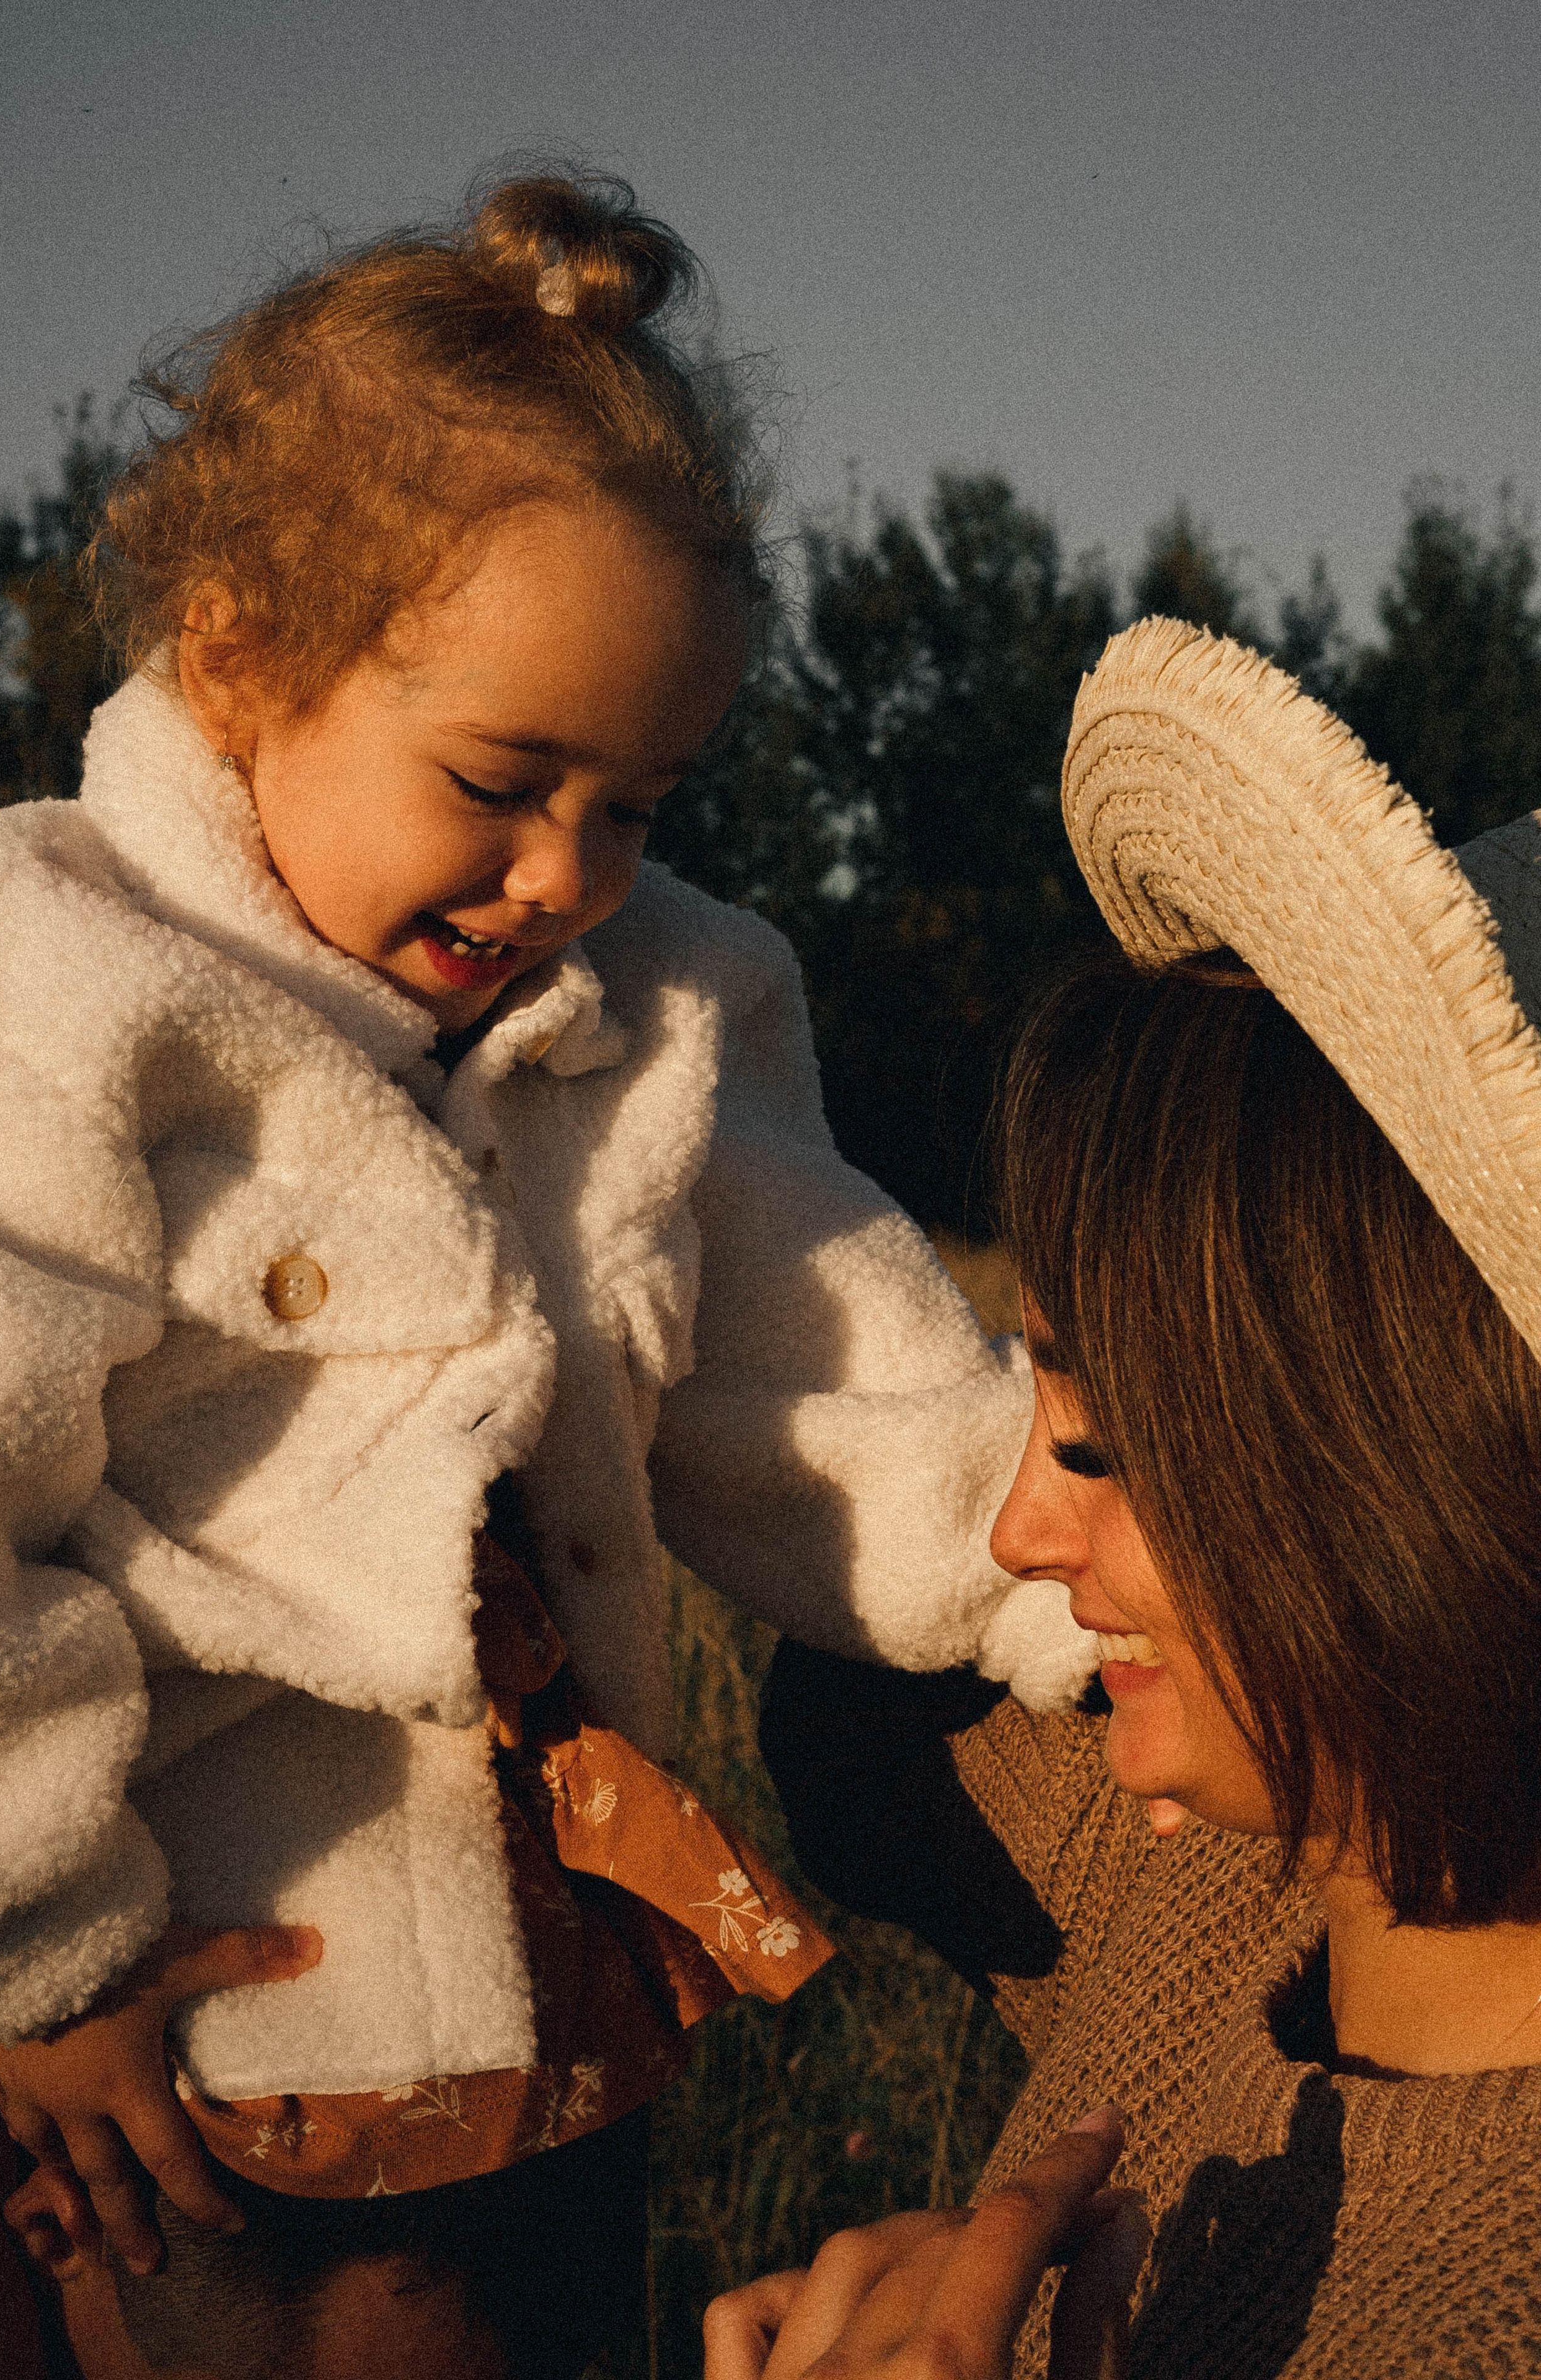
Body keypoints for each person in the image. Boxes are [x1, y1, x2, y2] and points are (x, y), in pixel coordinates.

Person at [0, 174, 1092, 2380]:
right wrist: (38, 1940)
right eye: (500, 780)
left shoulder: (662, 1013)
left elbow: (839, 1382)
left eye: (640, 804)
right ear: (240, 660)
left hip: (540, 1962)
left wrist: (1069, 1582)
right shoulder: (63, 985)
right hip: (167, 1976)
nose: (567, 873)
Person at [741, 615, 1541, 2378]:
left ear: (1407, 1474)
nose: (1015, 1533)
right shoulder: (1238, 1870)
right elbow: (843, 1681)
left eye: (1103, 1449)